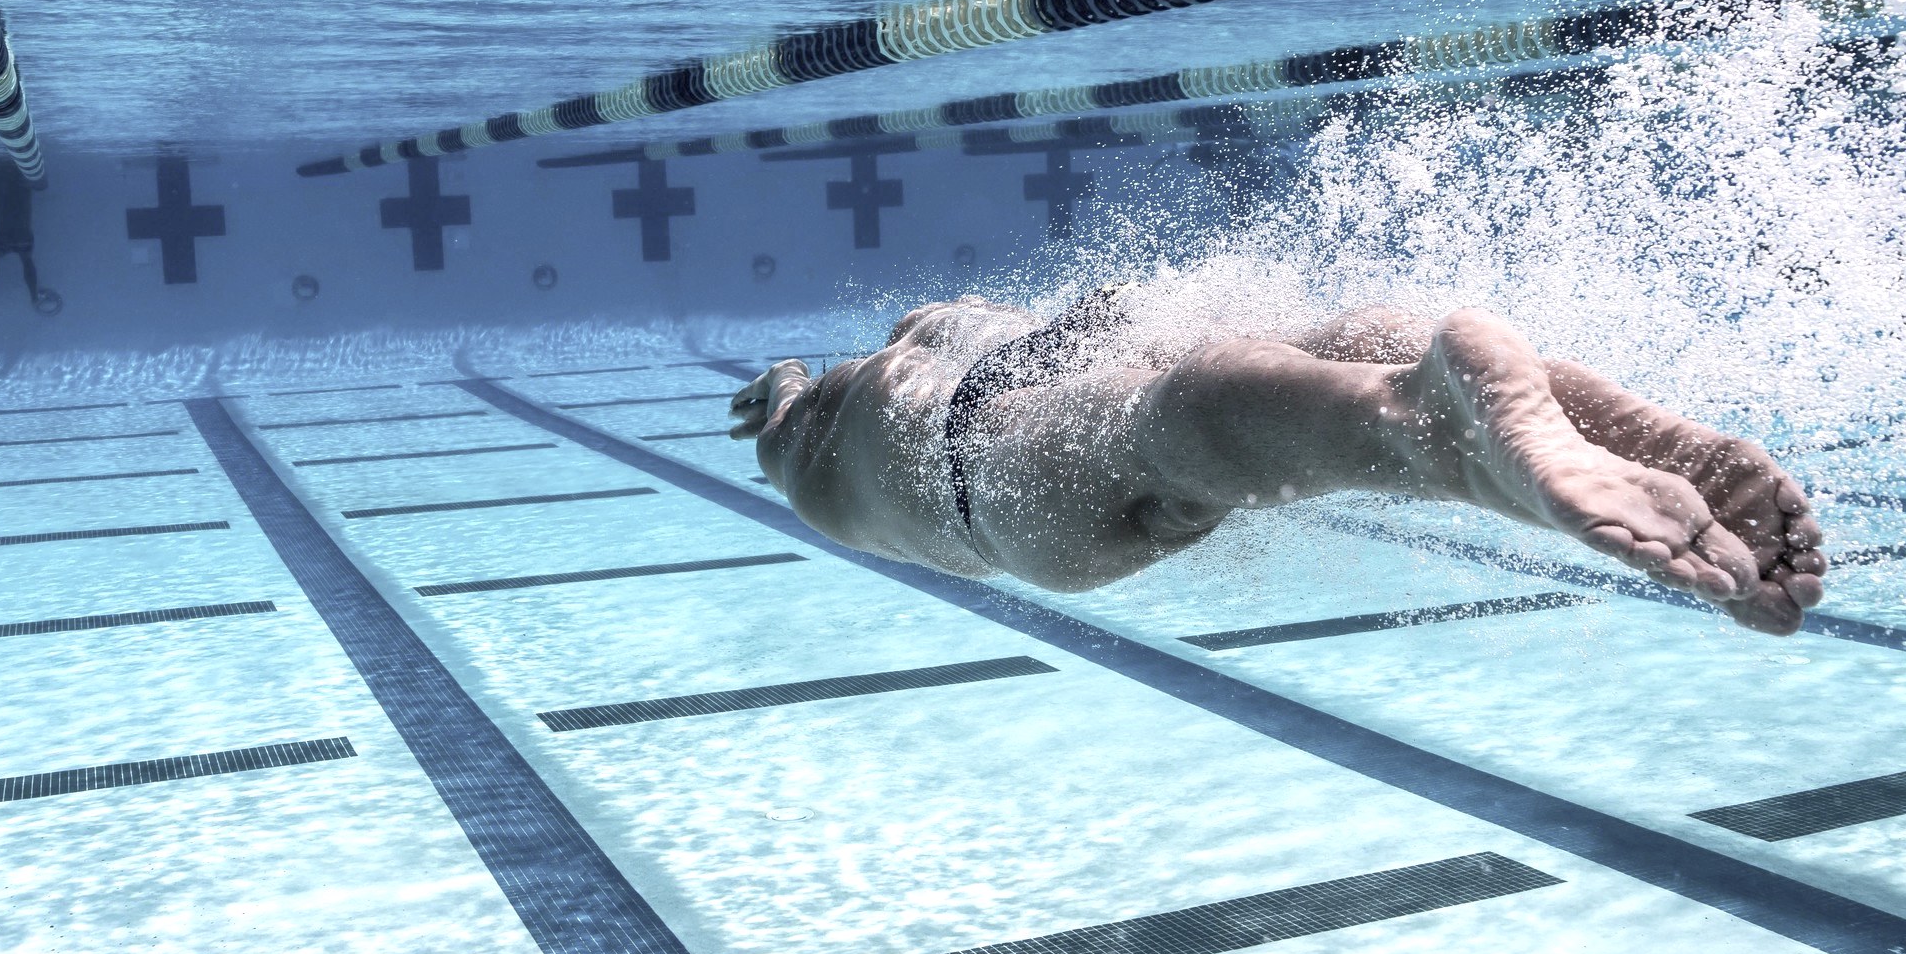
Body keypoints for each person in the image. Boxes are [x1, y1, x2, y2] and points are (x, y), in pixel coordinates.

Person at [729, 291, 1827, 633]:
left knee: (1193, 415)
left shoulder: (828, 458)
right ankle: (1456, 422)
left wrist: (779, 385)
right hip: (1003, 441)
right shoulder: (860, 400)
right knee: (1243, 374)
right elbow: (799, 389)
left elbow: (790, 395)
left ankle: (1459, 429)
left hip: (1005, 502)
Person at [0, 154, 52, 309]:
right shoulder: (20, 181)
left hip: (7, 236)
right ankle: (33, 295)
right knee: (26, 261)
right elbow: (40, 183)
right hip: (21, 236)